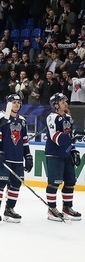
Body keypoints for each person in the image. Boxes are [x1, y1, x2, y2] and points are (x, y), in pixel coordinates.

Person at [0, 94, 32, 225]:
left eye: (19, 102)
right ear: (8, 104)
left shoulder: (22, 120)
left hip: (17, 159)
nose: (17, 104)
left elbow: (24, 140)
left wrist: (28, 156)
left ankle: (9, 209)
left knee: (15, 185)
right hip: (4, 158)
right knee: (0, 184)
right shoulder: (2, 117)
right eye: (14, 102)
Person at [44, 93, 82, 221]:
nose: (65, 103)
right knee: (54, 182)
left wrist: (73, 150)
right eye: (62, 101)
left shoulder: (68, 118)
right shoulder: (52, 117)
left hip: (66, 153)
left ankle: (67, 208)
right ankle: (51, 209)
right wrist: (72, 136)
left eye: (65, 101)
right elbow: (55, 137)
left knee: (70, 181)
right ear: (55, 105)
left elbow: (70, 139)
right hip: (54, 153)